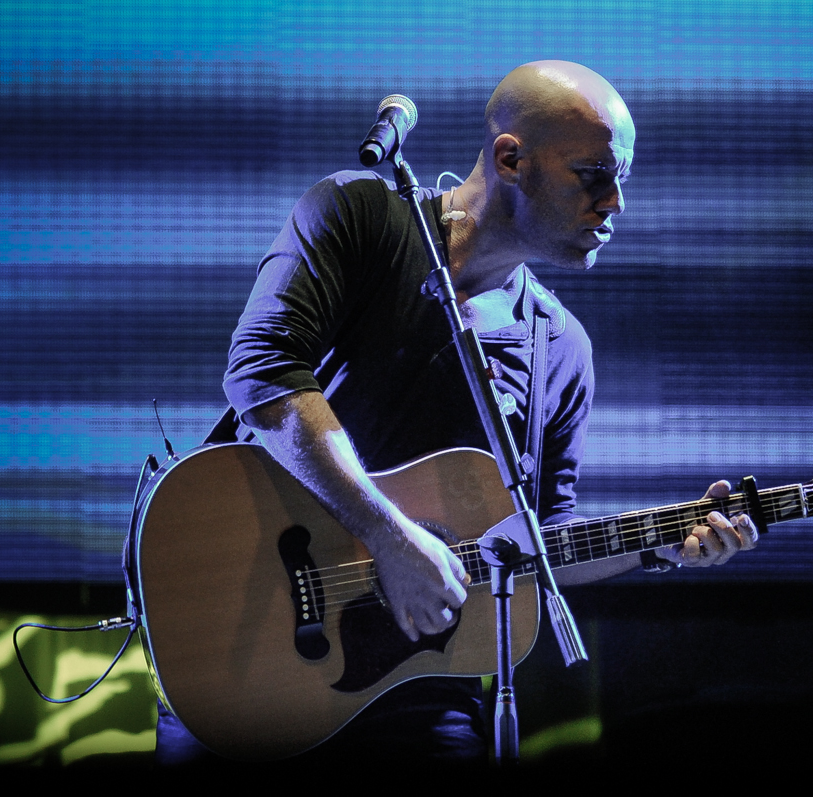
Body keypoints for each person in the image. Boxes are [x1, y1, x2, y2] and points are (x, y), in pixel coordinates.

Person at [156, 61, 759, 767]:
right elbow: (262, 369)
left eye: (620, 178)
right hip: (245, 638)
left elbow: (538, 535)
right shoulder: (359, 216)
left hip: (421, 685)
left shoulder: (561, 347)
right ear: (510, 160)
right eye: (593, 174)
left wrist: (659, 543)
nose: (615, 201)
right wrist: (389, 537)